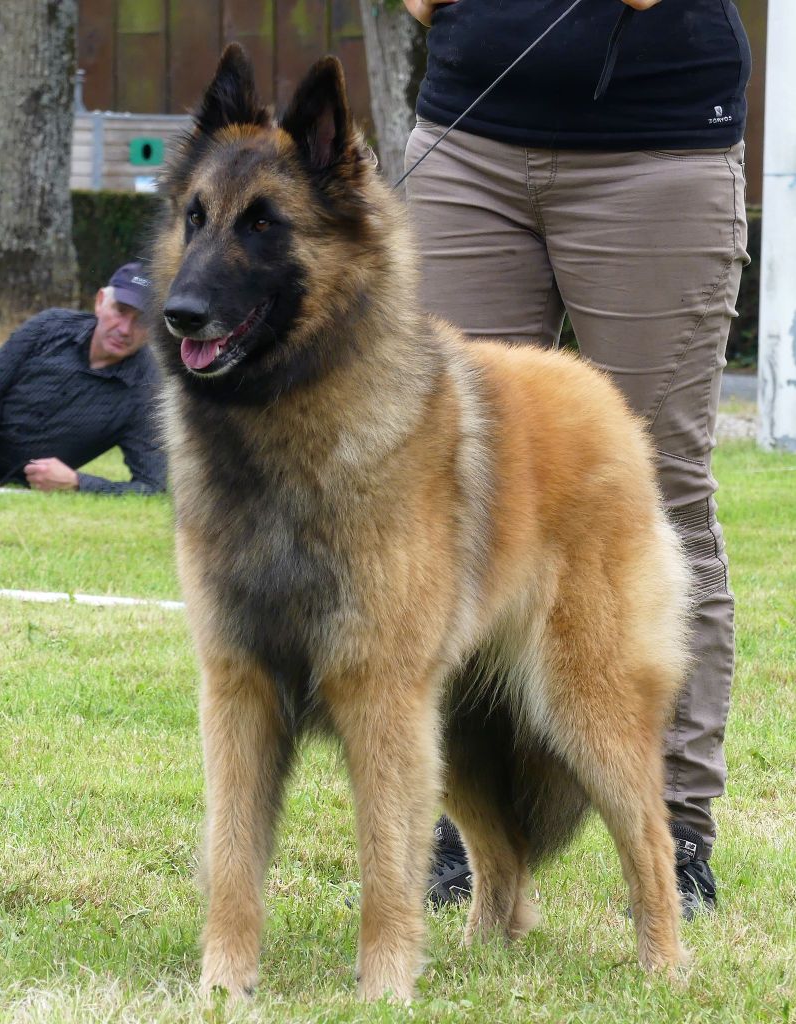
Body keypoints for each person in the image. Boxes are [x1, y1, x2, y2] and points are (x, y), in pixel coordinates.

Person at [402, 0, 750, 918]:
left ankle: (674, 831)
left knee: (661, 495)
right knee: (447, 504)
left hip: (657, 153)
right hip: (467, 139)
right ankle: (465, 830)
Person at [0, 262, 166, 495]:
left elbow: (153, 485)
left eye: (141, 320)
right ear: (100, 302)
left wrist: (77, 482)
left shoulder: (146, 393)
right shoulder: (49, 326)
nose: (124, 329)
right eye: (120, 310)